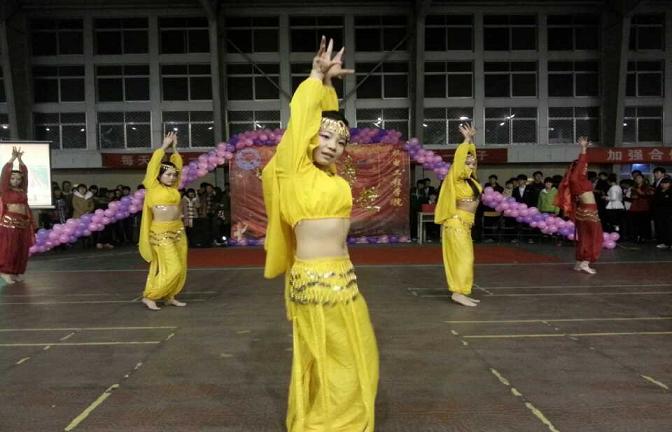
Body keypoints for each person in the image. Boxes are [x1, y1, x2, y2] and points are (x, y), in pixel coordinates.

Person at [262, 37, 378, 432]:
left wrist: (330, 88)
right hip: (315, 283)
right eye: (325, 137)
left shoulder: (334, 180)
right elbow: (303, 120)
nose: (332, 146)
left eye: (341, 141)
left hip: (345, 279)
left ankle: (337, 418)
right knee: (333, 357)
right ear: (310, 137)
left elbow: (327, 118)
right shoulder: (293, 170)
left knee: (357, 352)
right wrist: (316, 77)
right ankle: (328, 423)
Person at [139, 131, 188, 311]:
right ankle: (150, 296)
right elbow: (153, 165)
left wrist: (175, 149)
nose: (172, 177)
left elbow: (178, 167)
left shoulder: (174, 187)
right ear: (159, 176)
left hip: (178, 230)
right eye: (168, 174)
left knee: (180, 265)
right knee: (174, 267)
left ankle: (169, 295)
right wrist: (164, 147)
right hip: (161, 233)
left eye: (174, 175)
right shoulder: (152, 186)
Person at [435, 123, 482, 307]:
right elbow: (460, 159)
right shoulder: (455, 177)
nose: (471, 166)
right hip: (456, 223)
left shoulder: (471, 181)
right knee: (462, 259)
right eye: (467, 163)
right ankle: (457, 292)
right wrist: (466, 140)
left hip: (465, 224)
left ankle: (462, 291)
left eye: (473, 163)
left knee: (468, 259)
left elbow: (471, 159)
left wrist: (472, 144)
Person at [555, 136, 602, 274]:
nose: (586, 167)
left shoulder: (574, 181)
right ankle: (586, 262)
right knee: (594, 237)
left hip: (582, 211)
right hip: (589, 211)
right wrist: (583, 148)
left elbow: (582, 162)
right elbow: (582, 161)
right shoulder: (577, 179)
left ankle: (578, 262)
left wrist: (585, 148)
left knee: (584, 237)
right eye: (584, 166)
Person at [0, 147, 34, 284]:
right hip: (9, 222)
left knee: (21, 249)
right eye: (13, 178)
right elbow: (4, 174)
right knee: (10, 248)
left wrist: (20, 161)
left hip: (23, 222)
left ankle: (16, 271)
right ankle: (5, 271)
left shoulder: (22, 190)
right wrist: (13, 159)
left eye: (18, 179)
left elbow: (26, 175)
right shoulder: (5, 190)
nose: (16, 180)